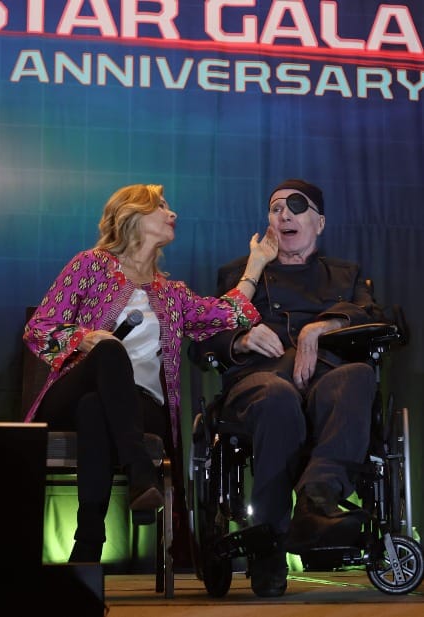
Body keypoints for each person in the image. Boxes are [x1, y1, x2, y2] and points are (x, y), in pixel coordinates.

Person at [23, 183, 274, 565]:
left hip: (140, 406)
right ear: (132, 217)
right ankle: (142, 473)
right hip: (70, 397)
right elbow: (38, 329)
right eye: (161, 207)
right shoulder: (89, 265)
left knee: (97, 409)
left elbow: (227, 313)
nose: (172, 214)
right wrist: (84, 338)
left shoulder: (172, 294)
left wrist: (256, 263)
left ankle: (88, 542)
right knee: (108, 354)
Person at [190, 178, 385, 598]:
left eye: (297, 207)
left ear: (320, 222)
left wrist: (322, 327)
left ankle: (317, 499)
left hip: (327, 378)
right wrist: (240, 340)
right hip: (257, 384)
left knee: (359, 376)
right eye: (276, 208)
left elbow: (378, 320)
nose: (284, 215)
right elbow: (203, 336)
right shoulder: (241, 273)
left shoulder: (346, 275)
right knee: (276, 398)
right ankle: (269, 543)